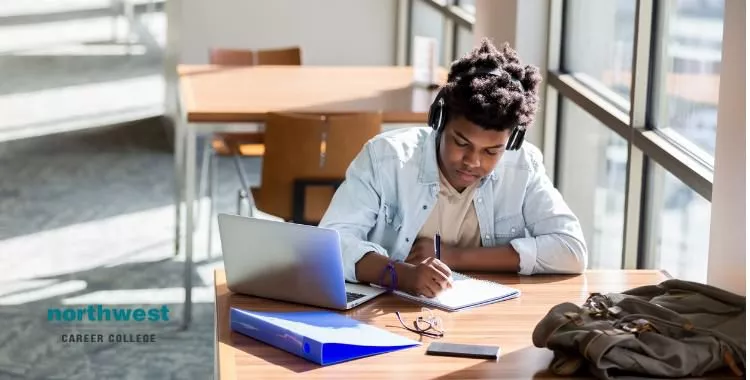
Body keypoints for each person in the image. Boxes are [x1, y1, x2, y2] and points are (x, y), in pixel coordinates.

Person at [319, 38, 587, 298]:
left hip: (483, 316)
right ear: (439, 120)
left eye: (492, 151)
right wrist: (402, 275)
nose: (473, 161)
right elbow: (331, 245)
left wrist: (454, 256)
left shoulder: (523, 166)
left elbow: (571, 249)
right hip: (392, 313)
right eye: (461, 143)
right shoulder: (385, 158)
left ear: (512, 141)